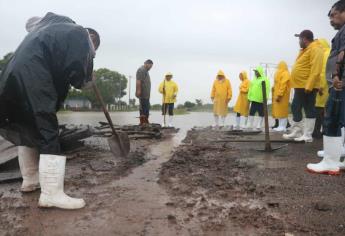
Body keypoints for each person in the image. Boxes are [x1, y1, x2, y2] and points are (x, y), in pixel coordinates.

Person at [0, 12, 100, 209]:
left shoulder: (48, 30)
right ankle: (51, 194)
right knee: (48, 129)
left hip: (11, 78)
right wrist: (87, 77)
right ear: (93, 41)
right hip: (34, 76)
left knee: (26, 126)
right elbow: (78, 76)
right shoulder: (80, 34)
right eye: (93, 51)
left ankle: (30, 180)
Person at [307, 0, 345, 174]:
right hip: (339, 81)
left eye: (333, 15)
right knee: (341, 120)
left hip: (339, 81)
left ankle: (330, 161)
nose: (330, 20)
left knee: (332, 119)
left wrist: (336, 75)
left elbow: (343, 53)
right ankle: (337, 156)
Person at [283, 30, 324, 142]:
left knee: (308, 109)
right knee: (296, 107)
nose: (299, 41)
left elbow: (316, 68)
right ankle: (298, 131)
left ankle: (307, 135)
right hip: (300, 84)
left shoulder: (315, 49)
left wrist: (309, 85)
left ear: (305, 38)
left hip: (306, 85)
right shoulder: (306, 50)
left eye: (300, 39)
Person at [312, 39, 331, 139]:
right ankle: (324, 131)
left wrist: (321, 86)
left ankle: (317, 132)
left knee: (320, 110)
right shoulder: (329, 52)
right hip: (328, 87)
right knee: (325, 110)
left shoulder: (325, 54)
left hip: (323, 88)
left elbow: (324, 71)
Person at [271, 61, 291, 132]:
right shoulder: (280, 74)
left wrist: (279, 95)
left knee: (283, 111)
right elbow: (277, 84)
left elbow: (283, 85)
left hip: (283, 96)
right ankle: (280, 126)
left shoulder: (286, 74)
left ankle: (283, 126)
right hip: (278, 95)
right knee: (279, 111)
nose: (278, 68)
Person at [136, 60, 153, 126]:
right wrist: (138, 90)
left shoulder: (146, 71)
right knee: (143, 109)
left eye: (151, 67)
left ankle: (145, 122)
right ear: (146, 64)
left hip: (146, 95)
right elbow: (138, 81)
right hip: (143, 94)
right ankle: (143, 123)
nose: (150, 68)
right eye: (150, 66)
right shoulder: (141, 70)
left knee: (147, 109)